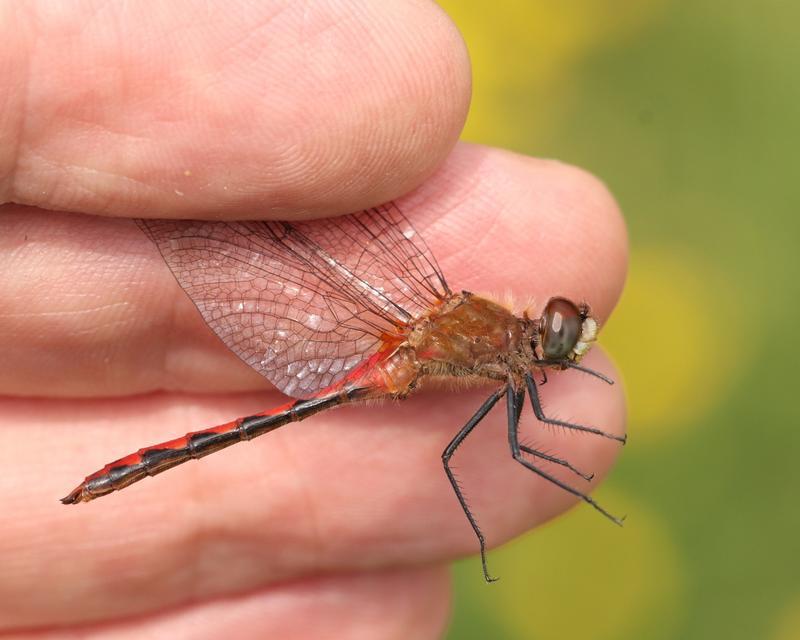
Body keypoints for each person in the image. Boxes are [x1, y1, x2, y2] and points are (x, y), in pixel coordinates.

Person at [0, 2, 627, 637]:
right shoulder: (494, 347)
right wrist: (582, 472)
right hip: (392, 353)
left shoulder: (498, 348)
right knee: (500, 448)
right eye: (562, 335)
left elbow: (528, 427)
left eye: (561, 337)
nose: (564, 341)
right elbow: (521, 442)